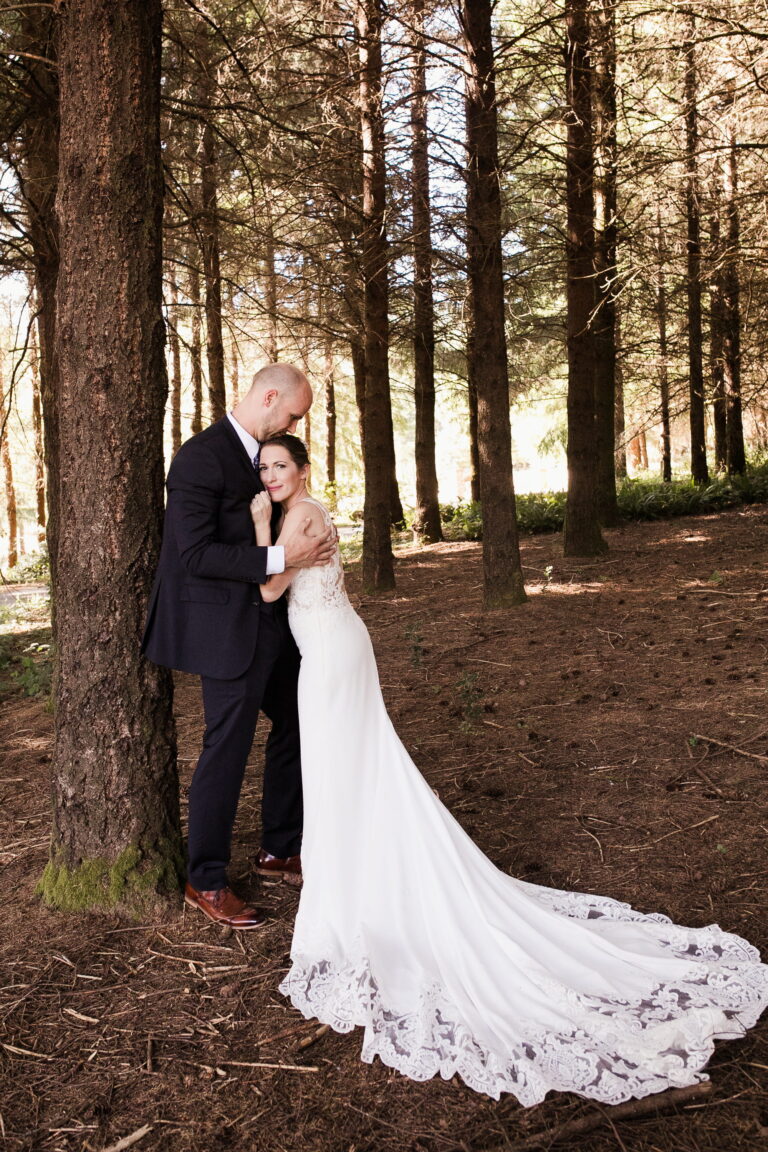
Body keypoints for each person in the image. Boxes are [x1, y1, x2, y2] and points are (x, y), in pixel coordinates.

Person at [249, 432, 768, 1105]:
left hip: (332, 658)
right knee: (343, 771)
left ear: (303, 468)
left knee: (345, 768)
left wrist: (262, 521)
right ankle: (353, 870)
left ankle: (356, 888)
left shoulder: (303, 515)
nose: (272, 474)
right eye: (264, 467)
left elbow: (268, 590)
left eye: (280, 466)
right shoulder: (297, 514)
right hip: (326, 654)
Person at [142, 364, 335, 930]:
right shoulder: (202, 456)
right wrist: (284, 559)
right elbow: (194, 554)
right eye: (294, 413)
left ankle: (279, 847)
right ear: (270, 397)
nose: (296, 423)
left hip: (272, 620)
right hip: (224, 630)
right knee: (225, 748)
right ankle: (204, 878)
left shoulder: (263, 454)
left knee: (300, 718)